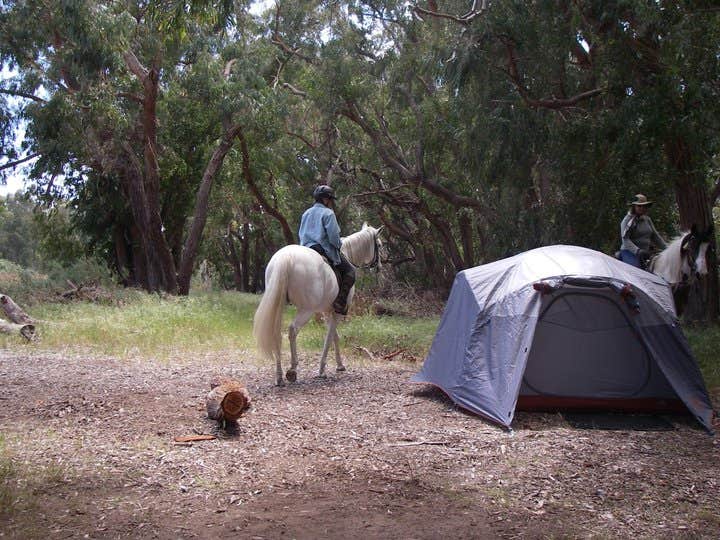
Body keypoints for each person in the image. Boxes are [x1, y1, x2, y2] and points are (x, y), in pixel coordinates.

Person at [298, 185, 356, 315]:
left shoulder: (306, 213)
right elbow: (334, 238)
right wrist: (338, 245)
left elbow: (301, 234)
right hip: (322, 249)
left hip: (305, 249)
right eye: (330, 200)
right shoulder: (328, 213)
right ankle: (340, 303)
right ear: (326, 199)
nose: (331, 203)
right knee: (350, 271)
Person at [619, 193, 667, 268]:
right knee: (636, 271)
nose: (642, 208)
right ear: (634, 207)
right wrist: (637, 251)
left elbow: (655, 236)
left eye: (644, 206)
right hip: (629, 252)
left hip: (645, 252)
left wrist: (667, 248)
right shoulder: (627, 220)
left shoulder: (647, 219)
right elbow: (625, 240)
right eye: (639, 206)